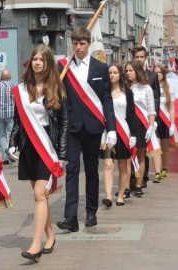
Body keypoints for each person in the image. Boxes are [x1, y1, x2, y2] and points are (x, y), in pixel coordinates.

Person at [8, 45, 68, 263]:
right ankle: (50, 236)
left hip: (48, 146)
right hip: (29, 145)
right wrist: (13, 143)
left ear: (48, 63)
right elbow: (17, 121)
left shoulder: (57, 89)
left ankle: (36, 246)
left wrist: (62, 155)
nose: (37, 62)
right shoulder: (22, 89)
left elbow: (63, 124)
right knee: (40, 195)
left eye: (42, 59)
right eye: (35, 58)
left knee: (39, 194)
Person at [56, 26, 116, 232]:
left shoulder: (100, 68)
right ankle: (70, 217)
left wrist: (112, 129)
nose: (79, 47)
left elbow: (107, 101)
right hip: (72, 127)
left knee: (91, 171)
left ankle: (91, 212)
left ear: (88, 44)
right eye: (75, 44)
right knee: (71, 171)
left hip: (93, 127)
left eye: (82, 44)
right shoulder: (64, 67)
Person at [100, 63, 137, 207]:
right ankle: (108, 196)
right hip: (108, 132)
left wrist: (133, 134)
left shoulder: (127, 92)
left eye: (115, 72)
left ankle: (121, 195)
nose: (112, 75)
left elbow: (132, 115)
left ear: (120, 74)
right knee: (108, 164)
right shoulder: (103, 91)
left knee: (122, 166)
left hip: (123, 131)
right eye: (109, 73)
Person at [130, 45, 161, 189]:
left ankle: (143, 177)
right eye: (137, 57)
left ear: (145, 58)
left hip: (145, 119)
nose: (139, 60)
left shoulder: (152, 76)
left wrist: (153, 122)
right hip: (131, 120)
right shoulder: (127, 76)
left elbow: (155, 99)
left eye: (142, 57)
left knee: (144, 149)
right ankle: (132, 178)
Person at [125, 60, 157, 196]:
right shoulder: (123, 87)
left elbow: (151, 110)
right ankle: (125, 187)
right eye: (126, 71)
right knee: (126, 157)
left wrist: (150, 127)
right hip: (126, 123)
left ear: (137, 71)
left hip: (141, 124)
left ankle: (138, 185)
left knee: (140, 156)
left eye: (130, 70)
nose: (128, 73)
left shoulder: (146, 88)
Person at [153, 64, 177, 181]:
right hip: (154, 120)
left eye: (159, 72)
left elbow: (172, 107)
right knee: (155, 145)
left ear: (163, 74)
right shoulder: (150, 87)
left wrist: (172, 124)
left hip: (165, 120)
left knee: (164, 147)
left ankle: (164, 168)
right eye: (155, 72)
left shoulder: (169, 88)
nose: (157, 74)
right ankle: (157, 172)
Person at [0, 69, 15, 165]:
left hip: (0, 114)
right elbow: (16, 100)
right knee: (12, 134)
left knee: (2, 136)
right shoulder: (12, 86)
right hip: (10, 114)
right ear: (9, 77)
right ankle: (10, 152)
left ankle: (5, 158)